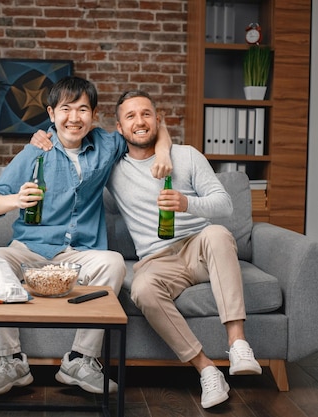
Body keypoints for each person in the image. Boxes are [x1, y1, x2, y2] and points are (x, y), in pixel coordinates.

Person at [0, 76, 173, 397]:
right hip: (31, 250)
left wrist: (163, 153)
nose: (74, 117)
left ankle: (80, 361)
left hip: (79, 255)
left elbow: (151, 129)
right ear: (52, 114)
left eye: (83, 110)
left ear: (94, 117)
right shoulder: (35, 152)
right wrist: (16, 200)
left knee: (113, 262)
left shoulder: (106, 145)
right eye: (66, 109)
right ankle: (11, 361)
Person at [107, 90, 262, 409]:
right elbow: (75, 141)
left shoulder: (188, 155)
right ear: (119, 127)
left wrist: (186, 203)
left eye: (147, 114)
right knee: (143, 288)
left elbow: (225, 205)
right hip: (157, 259)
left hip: (200, 247)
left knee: (218, 233)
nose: (140, 121)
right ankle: (207, 370)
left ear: (158, 118)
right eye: (131, 116)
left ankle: (238, 344)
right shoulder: (113, 167)